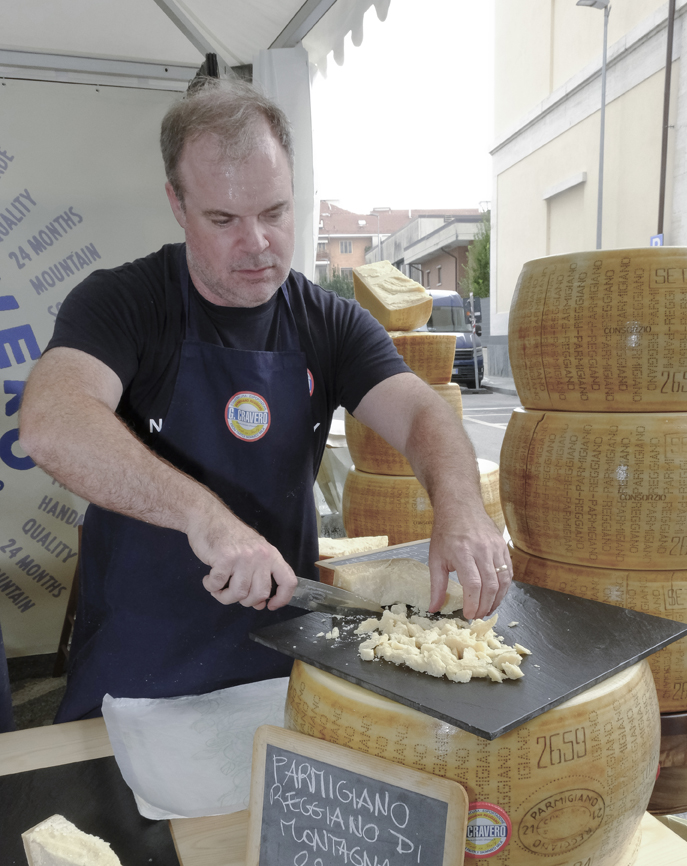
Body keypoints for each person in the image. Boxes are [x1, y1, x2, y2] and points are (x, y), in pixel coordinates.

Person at [19, 78, 511, 721]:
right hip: (136, 672)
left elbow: (421, 413)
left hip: (276, 663)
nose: (256, 244)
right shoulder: (125, 302)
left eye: (275, 212)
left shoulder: (327, 323)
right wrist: (208, 519)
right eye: (223, 220)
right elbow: (53, 423)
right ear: (176, 202)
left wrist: (461, 506)